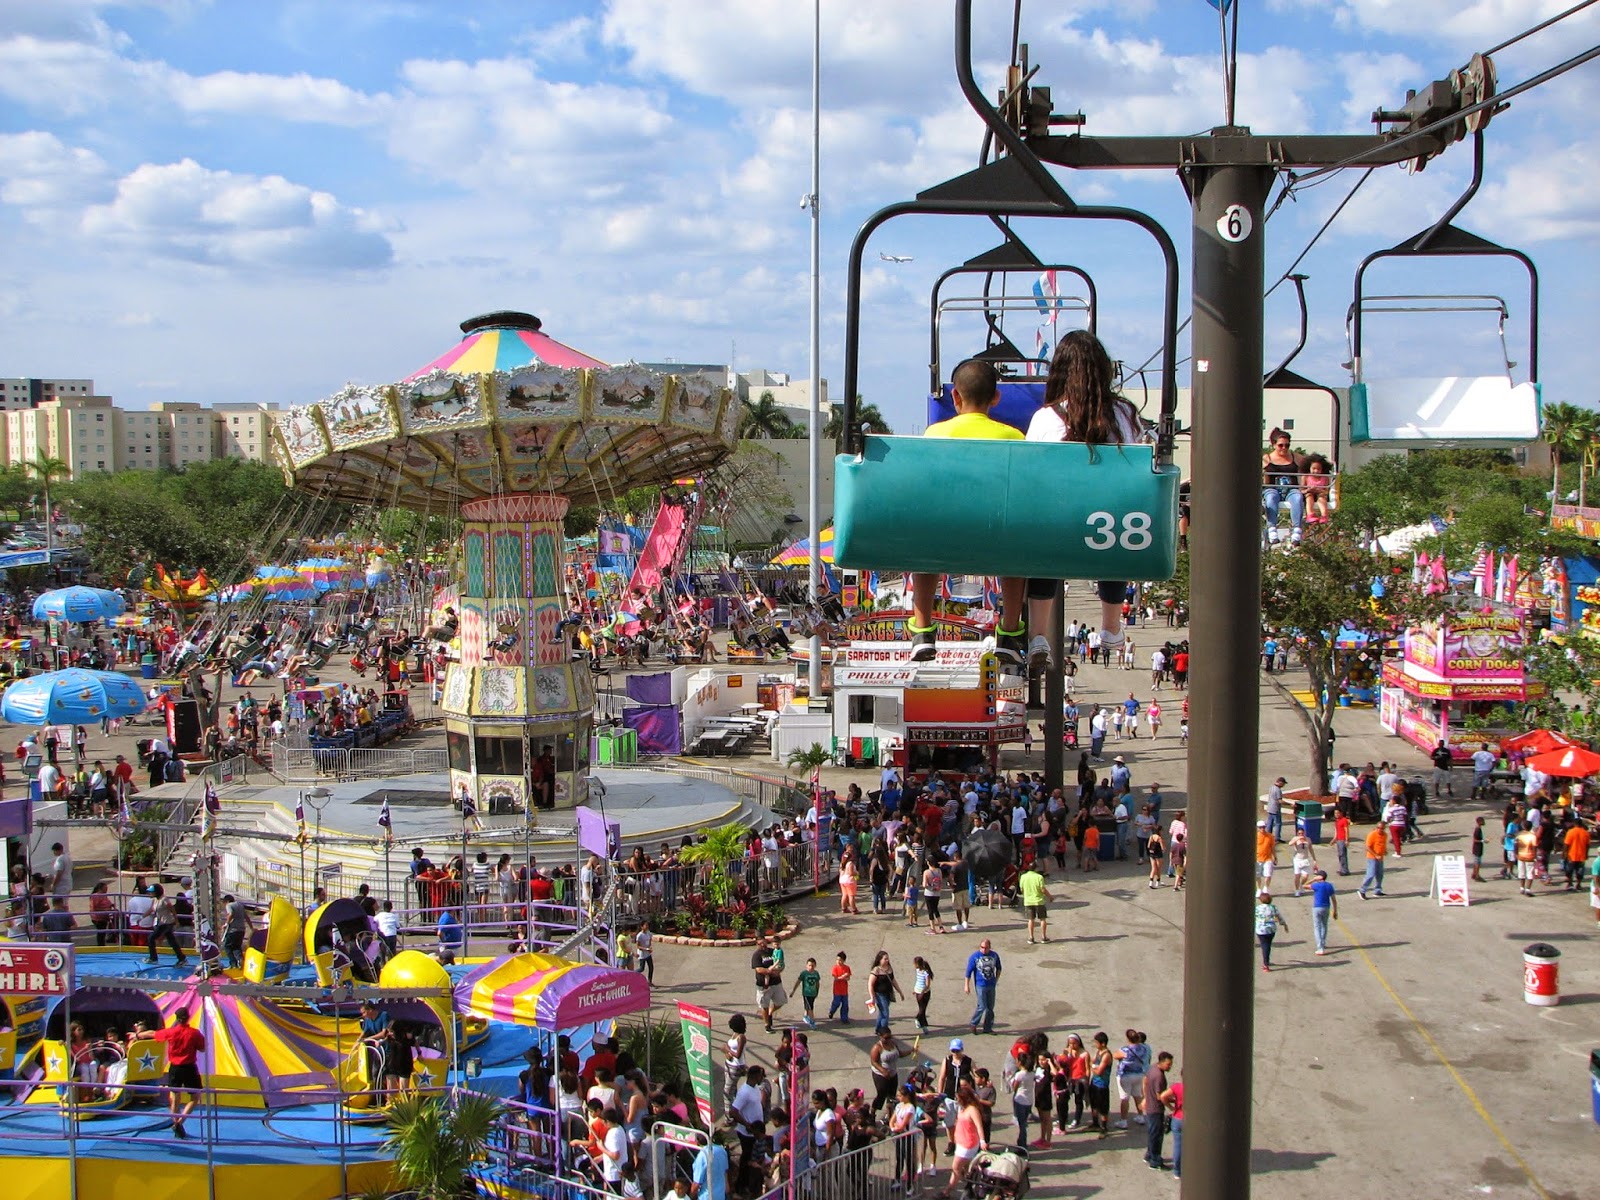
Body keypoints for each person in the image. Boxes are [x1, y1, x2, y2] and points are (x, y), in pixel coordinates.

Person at [1026, 330, 1146, 655]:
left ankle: (1038, 634)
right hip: (1107, 524)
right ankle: (1111, 626)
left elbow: (1031, 474)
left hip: (1058, 522)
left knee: (1041, 548)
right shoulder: (1125, 415)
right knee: (1120, 531)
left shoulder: (1045, 418)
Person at [907, 359, 1028, 664]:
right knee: (1020, 551)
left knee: (924, 544)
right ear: (996, 398)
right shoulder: (1014, 437)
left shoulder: (935, 433)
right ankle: (1010, 632)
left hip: (946, 537)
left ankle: (922, 629)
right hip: (998, 537)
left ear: (955, 397)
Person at [149, 1006, 207, 1138]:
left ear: (177, 1018)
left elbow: (154, 1034)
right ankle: (180, 1122)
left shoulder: (172, 1032)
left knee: (175, 1098)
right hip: (189, 1067)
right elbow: (203, 1049)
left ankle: (176, 1121)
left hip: (175, 1067)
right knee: (195, 1097)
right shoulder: (194, 1033)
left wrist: (138, 1034)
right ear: (188, 1018)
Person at [1261, 428, 1308, 544]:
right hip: (1272, 488)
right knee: (1271, 498)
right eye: (1281, 445)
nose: (1284, 448)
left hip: (1291, 489)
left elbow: (1310, 466)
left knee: (1297, 497)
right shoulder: (1266, 459)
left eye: (1287, 445)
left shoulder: (1295, 457)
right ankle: (1272, 528)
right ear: (1274, 445)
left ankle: (1297, 529)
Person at [964, 938, 1002, 1035]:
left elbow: (999, 968)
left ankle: (988, 1027)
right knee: (982, 1006)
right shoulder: (975, 957)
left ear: (990, 947)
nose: (984, 950)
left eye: (986, 948)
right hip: (980, 985)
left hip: (991, 985)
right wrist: (966, 986)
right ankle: (974, 1023)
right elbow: (968, 972)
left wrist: (996, 980)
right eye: (982, 947)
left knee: (990, 1007)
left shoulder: (994, 955)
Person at [1142, 1050, 1172, 1170]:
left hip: (1150, 1106)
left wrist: (1145, 1098)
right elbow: (1160, 1096)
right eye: (1168, 1064)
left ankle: (1149, 1155)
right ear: (1162, 1062)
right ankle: (1155, 1161)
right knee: (1157, 1135)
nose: (1170, 1066)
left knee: (1152, 1133)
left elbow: (1145, 1081)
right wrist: (1172, 1105)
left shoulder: (1152, 1068)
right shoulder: (1159, 1076)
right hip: (1156, 1109)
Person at [751, 936, 785, 1033]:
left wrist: (779, 970)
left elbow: (781, 962)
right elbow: (758, 969)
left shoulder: (773, 951)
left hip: (776, 982)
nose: (762, 945)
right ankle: (767, 1024)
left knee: (781, 1001)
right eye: (760, 943)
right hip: (763, 985)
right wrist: (769, 972)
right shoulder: (757, 955)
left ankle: (770, 1012)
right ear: (757, 945)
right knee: (764, 1005)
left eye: (764, 942)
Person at [868, 950, 903, 1034]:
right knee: (885, 1013)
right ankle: (884, 1032)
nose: (887, 960)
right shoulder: (876, 970)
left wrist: (900, 992)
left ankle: (878, 1029)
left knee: (882, 1012)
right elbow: (870, 984)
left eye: (887, 959)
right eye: (885, 959)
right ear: (880, 960)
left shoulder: (889, 968)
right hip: (879, 994)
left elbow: (893, 980)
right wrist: (872, 997)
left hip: (888, 993)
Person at [1254, 890, 1288, 971]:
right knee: (1268, 945)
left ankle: (1265, 964)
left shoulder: (1257, 908)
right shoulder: (1273, 907)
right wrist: (1284, 924)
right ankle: (1267, 961)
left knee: (1264, 945)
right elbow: (1279, 917)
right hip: (1271, 929)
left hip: (1260, 929)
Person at [1018, 861, 1050, 943]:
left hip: (1028, 901)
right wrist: (1050, 896)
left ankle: (1031, 937)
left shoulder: (1023, 877)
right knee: (1042, 919)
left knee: (1031, 920)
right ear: (1036, 868)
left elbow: (1021, 889)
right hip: (1039, 901)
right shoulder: (1039, 877)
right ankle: (1043, 937)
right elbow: (1043, 889)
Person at [690, 1135, 731, 1200]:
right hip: (721, 1195)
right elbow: (725, 1172)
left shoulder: (702, 1156)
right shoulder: (722, 1151)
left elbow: (696, 1184)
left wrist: (690, 1196)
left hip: (706, 1196)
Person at [1308, 869, 1338, 955]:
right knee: (1324, 926)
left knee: (1317, 927)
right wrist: (1335, 911)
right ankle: (1323, 943)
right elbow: (1334, 899)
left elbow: (1304, 885)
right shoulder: (1329, 886)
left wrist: (1313, 880)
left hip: (1317, 907)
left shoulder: (1316, 885)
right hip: (1326, 907)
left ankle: (1320, 947)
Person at [790, 956, 821, 1028]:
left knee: (808, 1006)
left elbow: (817, 983)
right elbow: (798, 982)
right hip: (806, 993)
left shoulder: (816, 974)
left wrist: (817, 992)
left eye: (813, 965)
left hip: (813, 993)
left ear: (815, 966)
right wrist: (793, 991)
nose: (811, 967)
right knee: (810, 1008)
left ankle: (805, 1016)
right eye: (809, 965)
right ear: (806, 965)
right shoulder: (804, 973)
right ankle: (812, 1021)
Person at [828, 951, 852, 1024]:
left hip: (844, 990)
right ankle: (832, 1011)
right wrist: (843, 976)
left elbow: (848, 978)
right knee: (836, 1003)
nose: (838, 961)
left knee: (845, 1005)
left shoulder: (847, 968)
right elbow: (836, 978)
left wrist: (844, 977)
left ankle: (844, 1018)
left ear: (844, 960)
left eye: (840, 960)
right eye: (837, 960)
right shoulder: (835, 968)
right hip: (837, 990)